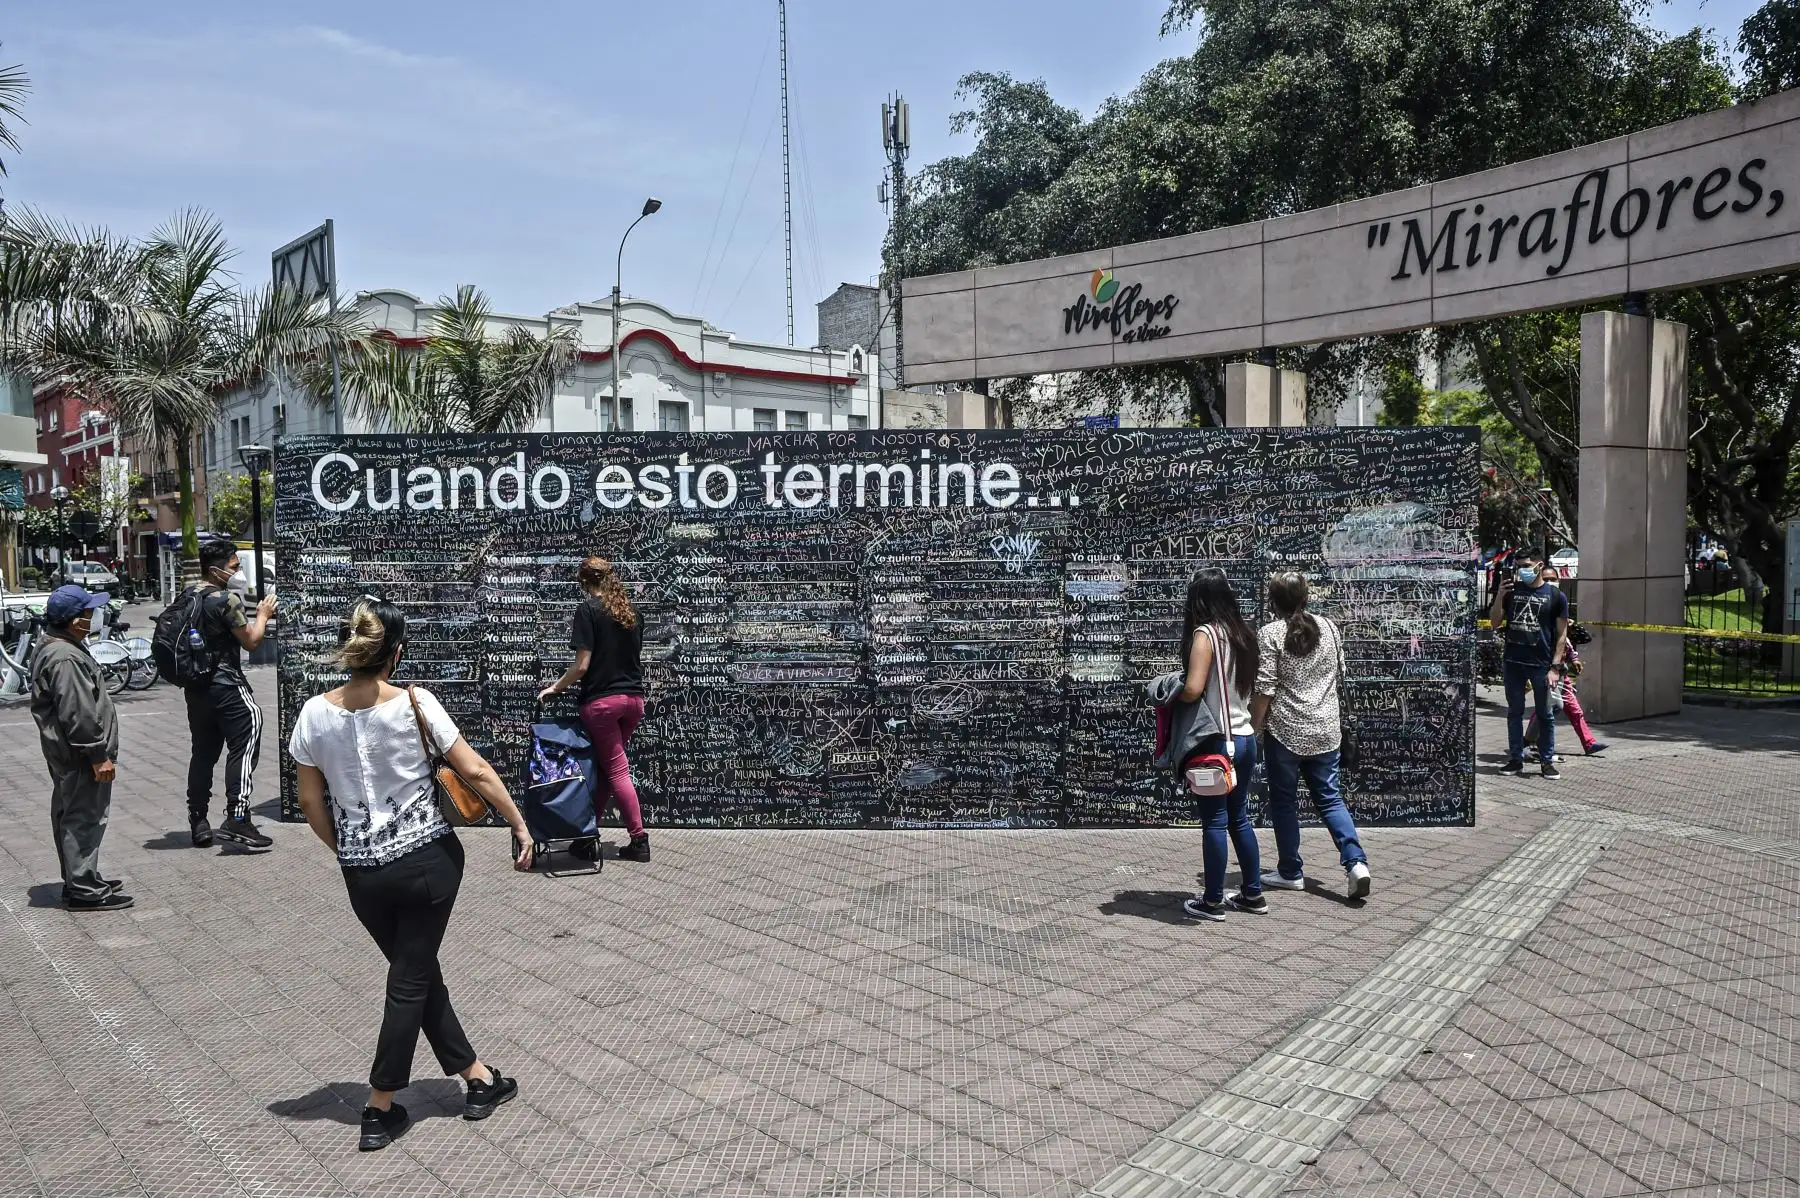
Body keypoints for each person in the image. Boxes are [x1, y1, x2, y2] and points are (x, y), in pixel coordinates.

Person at [290, 598, 535, 1151]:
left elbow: (310, 802)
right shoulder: (415, 703)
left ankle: (477, 1079)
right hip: (427, 861)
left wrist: (349, 847)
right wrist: (519, 826)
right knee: (409, 979)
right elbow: (473, 769)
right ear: (395, 653)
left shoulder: (312, 714)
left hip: (363, 876)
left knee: (415, 972)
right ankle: (380, 1106)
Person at [1252, 572, 1372, 899]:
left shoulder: (1271, 633)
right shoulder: (1330, 629)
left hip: (1286, 732)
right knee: (1330, 799)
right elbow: (1341, 673)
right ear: (1306, 597)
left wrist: (1252, 729)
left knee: (1284, 802)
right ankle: (1355, 863)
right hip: (1326, 732)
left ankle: (1290, 871)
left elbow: (1264, 688)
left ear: (1274, 601)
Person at [538, 556, 649, 862]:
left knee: (615, 770)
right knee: (607, 770)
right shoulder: (631, 612)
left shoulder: (588, 610)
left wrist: (556, 687)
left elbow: (582, 665)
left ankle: (639, 840)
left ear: (584, 583)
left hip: (602, 703)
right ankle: (587, 837)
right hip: (634, 701)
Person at [29, 584, 130, 911]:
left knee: (71, 814)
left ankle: (80, 878)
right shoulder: (64, 656)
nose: (94, 617)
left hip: (68, 754)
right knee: (83, 818)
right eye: (89, 613)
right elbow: (78, 711)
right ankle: (85, 889)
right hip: (79, 756)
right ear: (74, 620)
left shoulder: (56, 645)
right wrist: (98, 755)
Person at [1177, 569, 1265, 922]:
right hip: (1245, 739)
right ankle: (1252, 894)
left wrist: (1172, 695)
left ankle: (1212, 900)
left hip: (1215, 744)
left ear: (1198, 600)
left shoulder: (1206, 635)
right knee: (1239, 819)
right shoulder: (1243, 634)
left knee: (1214, 821)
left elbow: (1194, 689)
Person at [184, 540, 278, 850]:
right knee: (246, 740)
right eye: (234, 567)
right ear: (216, 569)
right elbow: (251, 641)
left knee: (203, 753)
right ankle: (238, 819)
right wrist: (263, 614)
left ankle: (198, 820)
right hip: (227, 685)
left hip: (196, 689)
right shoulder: (225, 600)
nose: (236, 572)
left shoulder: (187, 597)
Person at [1490, 554, 1571, 779]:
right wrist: (1500, 596)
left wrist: (1555, 667)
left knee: (1545, 714)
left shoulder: (1555, 596)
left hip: (1541, 665)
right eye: (1519, 567)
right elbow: (1495, 622)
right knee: (1514, 712)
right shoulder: (1512, 592)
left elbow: (1562, 634)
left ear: (1539, 566)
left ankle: (1546, 761)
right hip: (1513, 662)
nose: (1522, 570)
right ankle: (1516, 759)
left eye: (1527, 566)